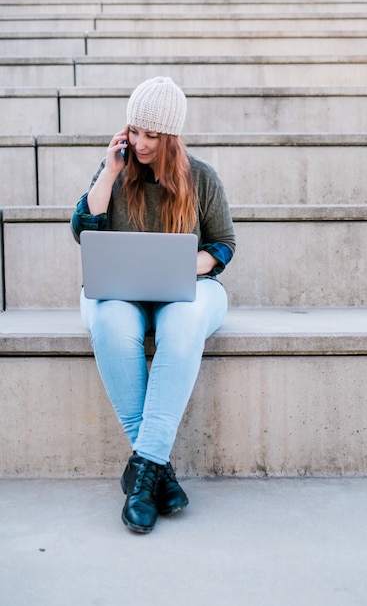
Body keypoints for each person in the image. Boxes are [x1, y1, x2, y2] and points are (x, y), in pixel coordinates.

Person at [70, 76, 236, 534]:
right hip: (119, 292)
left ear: (171, 136)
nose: (140, 143)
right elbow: (84, 228)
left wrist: (181, 267)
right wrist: (109, 170)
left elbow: (223, 247)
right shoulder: (117, 170)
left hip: (187, 289)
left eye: (151, 135)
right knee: (107, 317)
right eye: (135, 131)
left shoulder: (201, 177)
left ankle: (142, 473)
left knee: (183, 323)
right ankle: (155, 472)